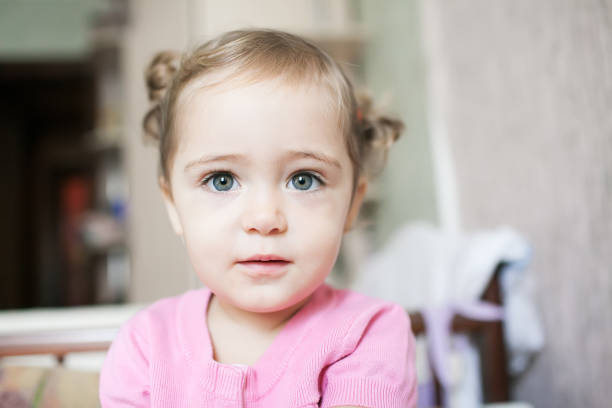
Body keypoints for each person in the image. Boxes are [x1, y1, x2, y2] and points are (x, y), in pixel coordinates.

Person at [99, 28, 417, 407]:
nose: (265, 218)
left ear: (351, 204)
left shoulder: (370, 333)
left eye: (304, 179)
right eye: (221, 180)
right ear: (172, 204)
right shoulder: (146, 345)